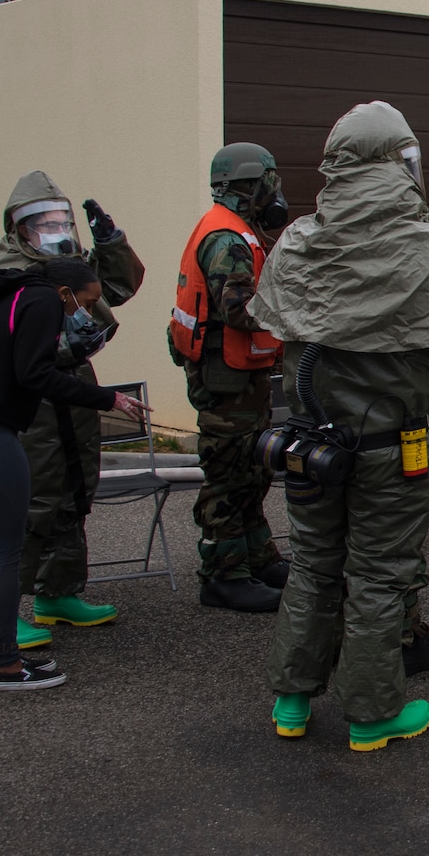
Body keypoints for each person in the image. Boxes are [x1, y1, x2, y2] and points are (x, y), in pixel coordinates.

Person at [252, 101, 429, 752]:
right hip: (395, 447)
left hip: (309, 444)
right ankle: (371, 713)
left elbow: (268, 320)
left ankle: (292, 700)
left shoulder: (298, 241)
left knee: (311, 564)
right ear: (400, 166)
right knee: (380, 573)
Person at [0, 258, 149, 690]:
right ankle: (5, 667)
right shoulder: (43, 302)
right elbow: (35, 374)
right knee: (3, 552)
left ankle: (2, 659)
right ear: (66, 291)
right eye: (86, 301)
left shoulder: (20, 296)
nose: (84, 312)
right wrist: (105, 399)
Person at [0, 174, 144, 639]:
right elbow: (3, 346)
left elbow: (118, 288)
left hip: (72, 389)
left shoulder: (69, 263)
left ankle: (57, 594)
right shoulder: (4, 273)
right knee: (32, 500)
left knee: (73, 491)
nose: (52, 230)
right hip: (34, 397)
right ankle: (1, 615)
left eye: (58, 220)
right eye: (40, 222)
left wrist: (111, 242)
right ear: (18, 228)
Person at [169, 143, 292, 613]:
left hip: (241, 377)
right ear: (252, 184)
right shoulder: (227, 238)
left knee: (252, 470)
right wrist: (296, 310)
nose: (275, 189)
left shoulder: (237, 229)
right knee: (228, 474)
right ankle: (223, 574)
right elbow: (239, 309)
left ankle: (256, 557)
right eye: (269, 179)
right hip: (226, 381)